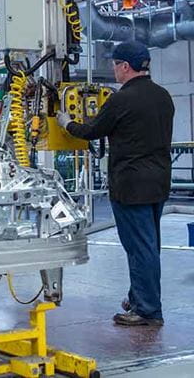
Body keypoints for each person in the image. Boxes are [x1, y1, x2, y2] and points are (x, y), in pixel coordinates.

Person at [57, 41, 174, 327]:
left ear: (125, 66)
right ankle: (140, 297)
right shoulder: (163, 96)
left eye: (115, 65)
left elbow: (91, 131)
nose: (114, 70)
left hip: (131, 185)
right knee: (149, 245)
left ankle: (147, 310)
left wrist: (66, 123)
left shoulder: (122, 100)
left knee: (139, 248)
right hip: (158, 182)